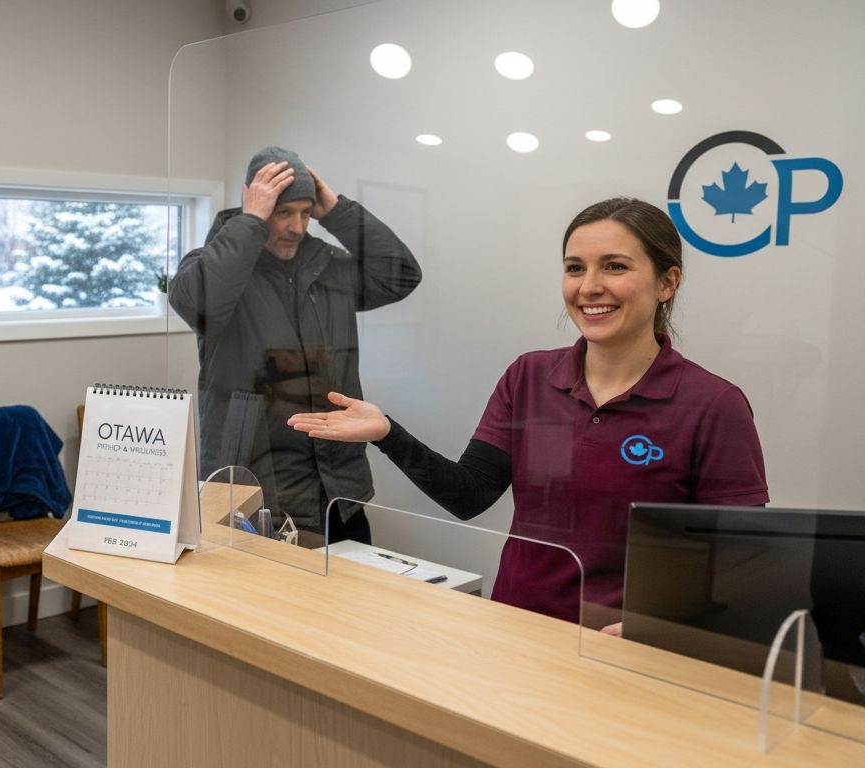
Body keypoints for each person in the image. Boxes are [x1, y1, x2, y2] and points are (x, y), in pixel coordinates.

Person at [287, 197, 769, 627]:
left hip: (626, 647)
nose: (589, 287)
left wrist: (658, 625)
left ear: (668, 282)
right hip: (517, 628)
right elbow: (469, 495)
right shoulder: (530, 377)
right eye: (575, 268)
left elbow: (740, 560)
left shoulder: (712, 404)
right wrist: (388, 433)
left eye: (615, 267)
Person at [169, 146, 421, 543]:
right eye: (283, 212)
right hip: (255, 493)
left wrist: (336, 211)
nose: (297, 227)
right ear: (251, 200)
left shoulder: (327, 266)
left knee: (350, 603)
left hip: (337, 489)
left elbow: (401, 275)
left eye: (305, 213)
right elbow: (198, 304)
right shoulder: (212, 268)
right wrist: (251, 220)